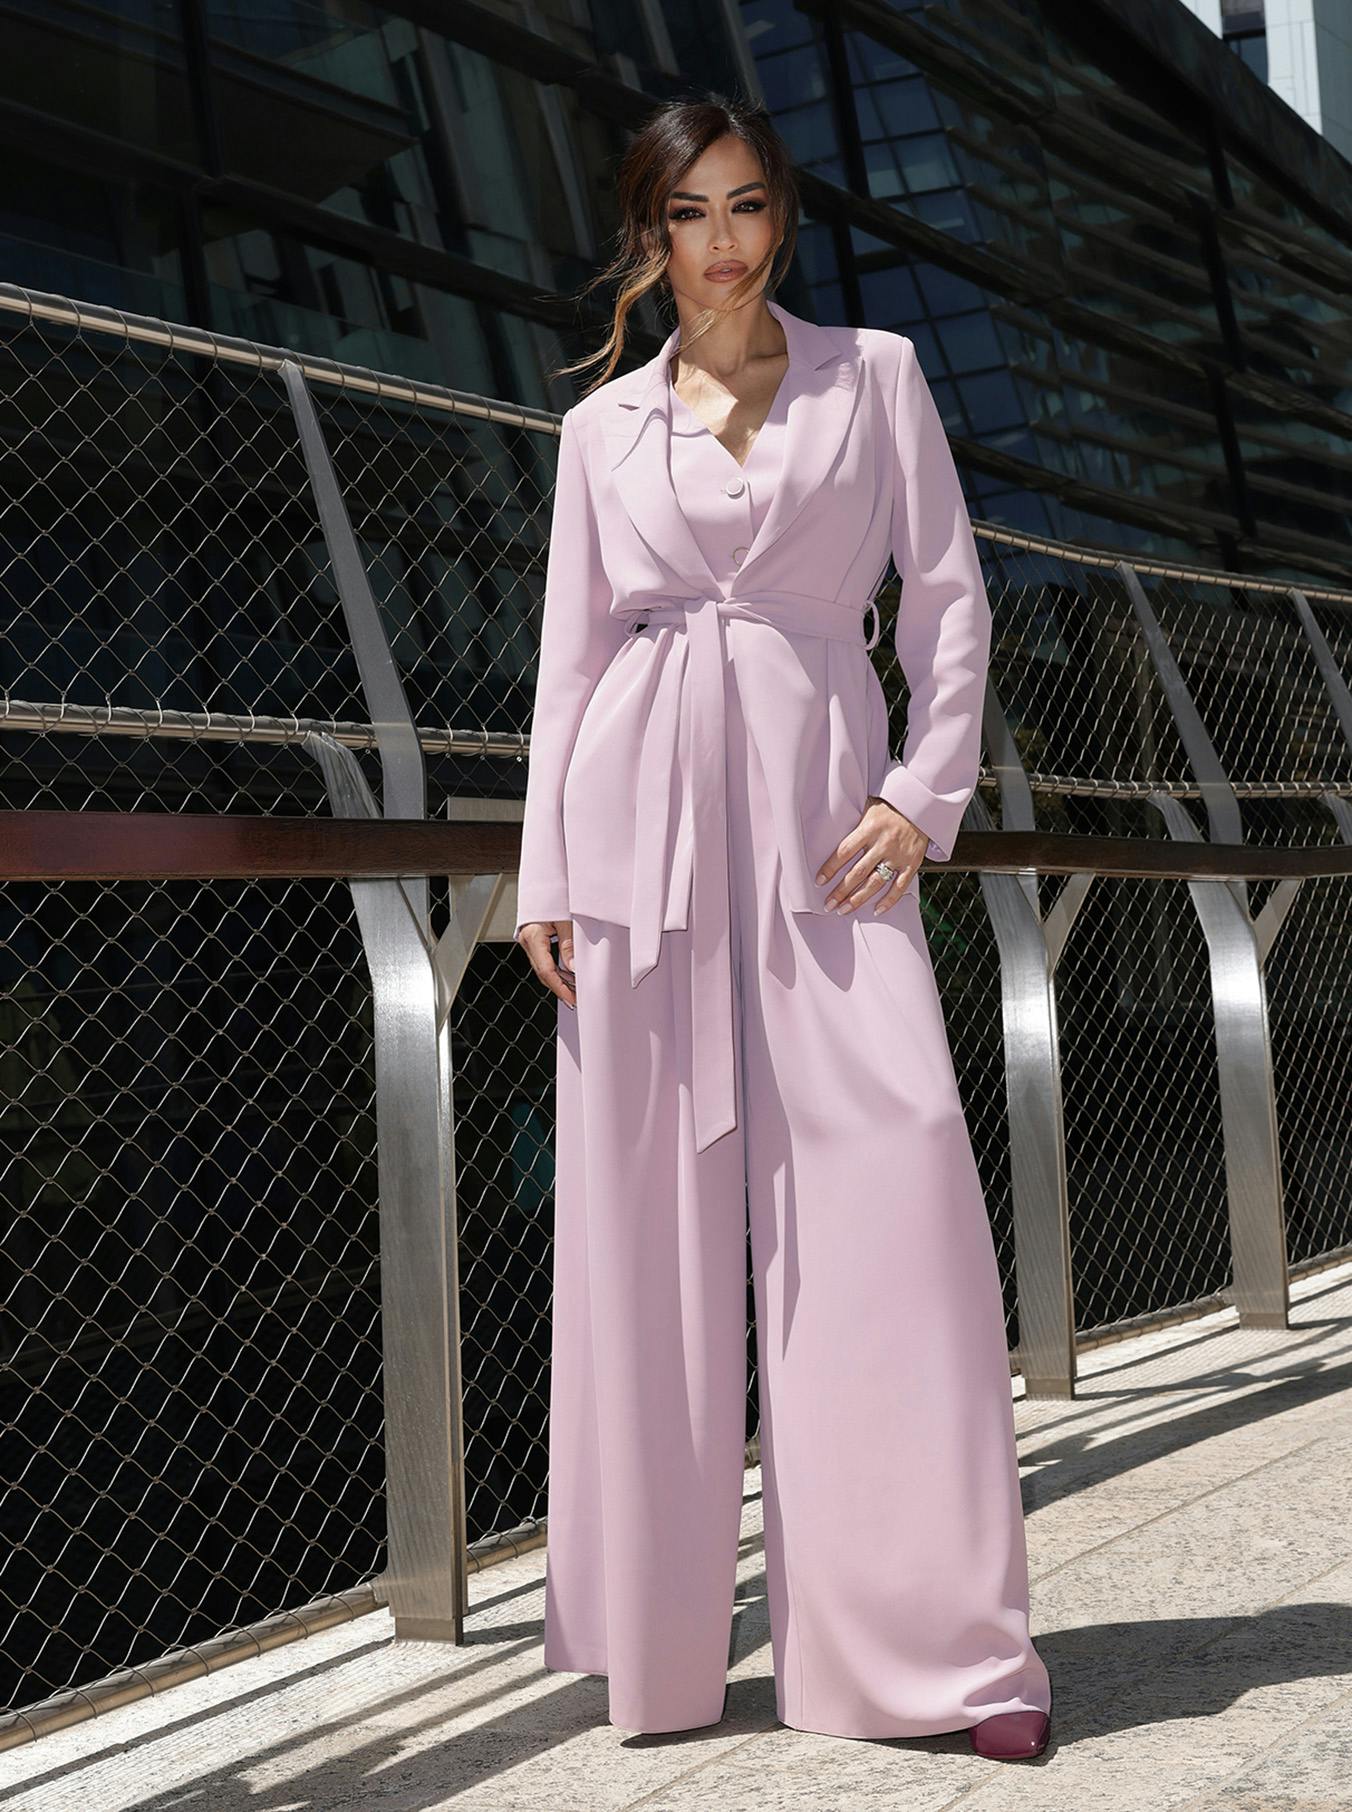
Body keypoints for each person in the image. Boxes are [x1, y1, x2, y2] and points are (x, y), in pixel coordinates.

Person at [514, 93, 1053, 1762]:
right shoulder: (601, 433)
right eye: (691, 214)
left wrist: (924, 793)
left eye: (748, 207)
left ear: (781, 220)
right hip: (640, 852)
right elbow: (570, 665)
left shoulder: (874, 378)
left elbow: (950, 596)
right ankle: (662, 1658)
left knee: (895, 1206)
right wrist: (546, 874)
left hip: (834, 851)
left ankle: (940, 1658)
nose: (725, 243)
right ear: (650, 234)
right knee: (649, 1243)